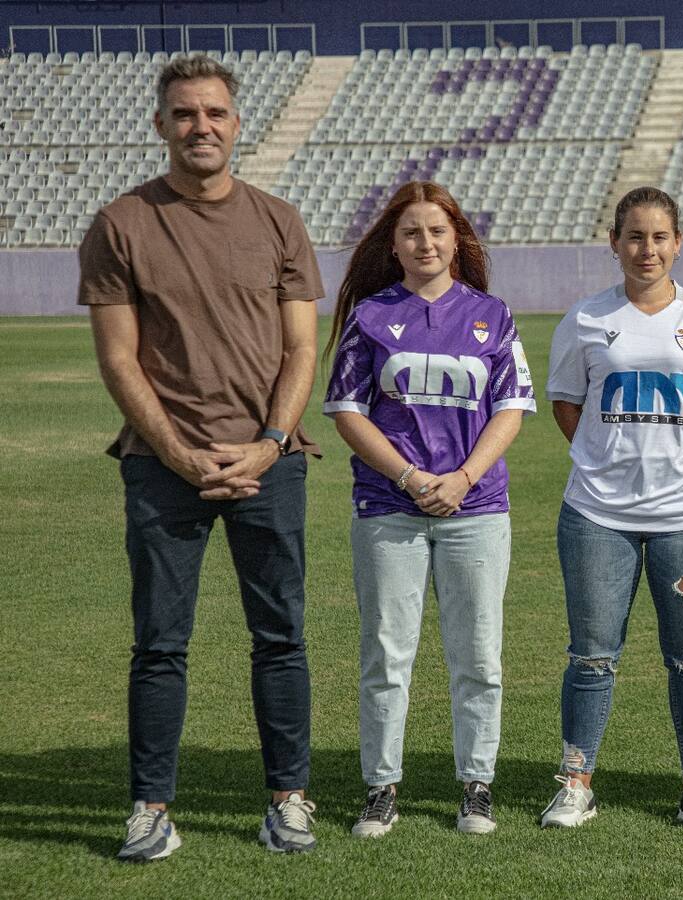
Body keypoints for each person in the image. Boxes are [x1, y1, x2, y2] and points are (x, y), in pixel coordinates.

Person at [79, 54, 324, 860]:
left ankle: (288, 800)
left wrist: (269, 443)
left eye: (214, 112)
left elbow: (300, 349)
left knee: (280, 636)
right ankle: (151, 809)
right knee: (160, 643)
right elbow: (118, 358)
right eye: (184, 114)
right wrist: (180, 453)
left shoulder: (279, 220)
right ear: (160, 124)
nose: (201, 127)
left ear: (237, 123)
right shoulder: (121, 224)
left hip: (269, 465)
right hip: (162, 468)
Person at [324, 181, 535, 838]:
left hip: (477, 509)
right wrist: (413, 477)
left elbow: (511, 408)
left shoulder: (492, 315)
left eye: (437, 231)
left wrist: (463, 478)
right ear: (393, 244)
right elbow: (347, 412)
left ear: (456, 240)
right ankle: (381, 786)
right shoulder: (369, 315)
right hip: (389, 506)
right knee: (387, 655)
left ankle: (477, 785)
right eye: (412, 232)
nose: (426, 243)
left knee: (478, 657)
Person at [539, 187, 683, 829]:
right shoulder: (585, 317)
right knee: (591, 655)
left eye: (658, 237)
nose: (646, 249)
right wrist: (610, 458)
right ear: (615, 243)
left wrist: (676, 459)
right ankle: (576, 783)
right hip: (598, 516)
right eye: (634, 236)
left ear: (678, 243)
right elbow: (567, 404)